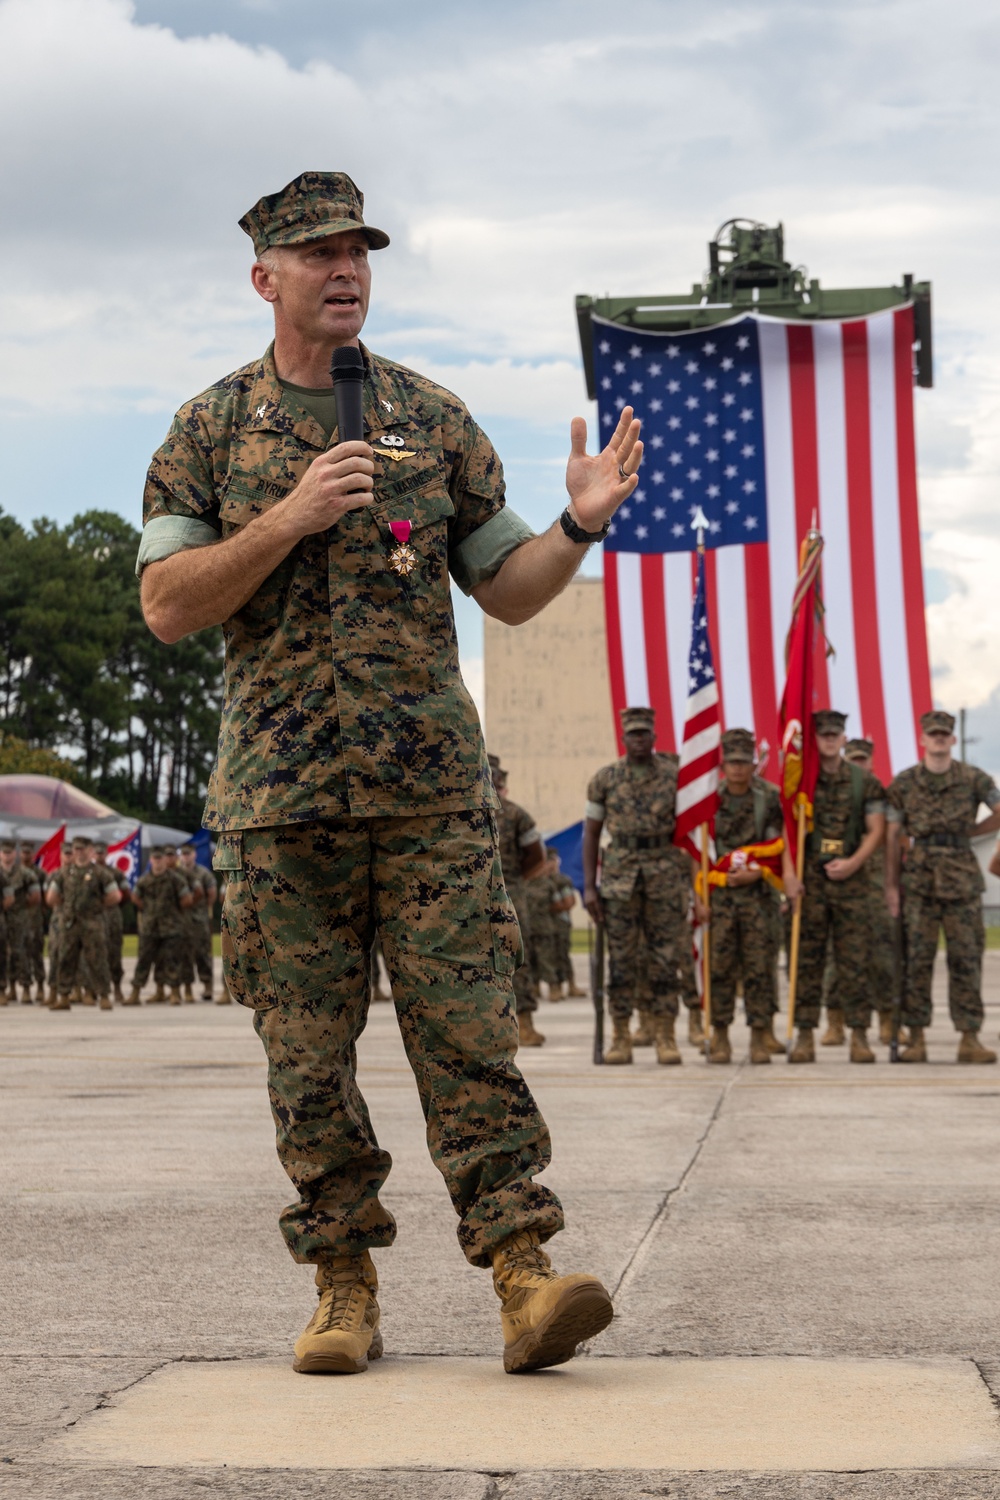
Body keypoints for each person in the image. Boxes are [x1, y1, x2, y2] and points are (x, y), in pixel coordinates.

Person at [137, 171, 641, 1377]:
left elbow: (506, 592)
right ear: (265, 277)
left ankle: (524, 1277)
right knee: (306, 1060)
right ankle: (342, 1286)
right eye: (316, 254)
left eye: (358, 250)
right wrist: (288, 518)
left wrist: (574, 530)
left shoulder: (432, 420)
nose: (344, 269)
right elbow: (166, 604)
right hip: (279, 803)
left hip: (427, 800)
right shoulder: (209, 432)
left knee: (470, 1039)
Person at [886, 710, 1000, 1064]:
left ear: (952, 739)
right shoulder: (904, 782)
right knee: (917, 959)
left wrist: (973, 833)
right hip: (919, 878)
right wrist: (891, 885)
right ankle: (916, 1037)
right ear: (922, 739)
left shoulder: (973, 778)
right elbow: (892, 835)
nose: (938, 739)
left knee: (966, 958)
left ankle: (969, 1037)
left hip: (962, 876)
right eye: (932, 734)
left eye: (943, 734)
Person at [583, 706, 692, 1067]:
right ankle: (620, 1035)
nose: (639, 738)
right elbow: (591, 833)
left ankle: (665, 1035)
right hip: (619, 878)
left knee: (665, 960)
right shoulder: (605, 779)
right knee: (621, 962)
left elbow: (692, 829)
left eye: (645, 732)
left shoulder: (675, 777)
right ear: (624, 737)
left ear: (654, 736)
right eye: (633, 733)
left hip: (664, 873)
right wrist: (589, 887)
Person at [789, 711, 885, 1064]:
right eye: (824, 734)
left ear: (844, 738)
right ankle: (804, 1034)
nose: (830, 740)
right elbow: (786, 829)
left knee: (854, 961)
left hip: (851, 881)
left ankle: (859, 1034)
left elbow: (875, 830)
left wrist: (853, 863)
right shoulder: (801, 780)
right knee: (807, 961)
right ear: (814, 739)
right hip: (811, 881)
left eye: (836, 734)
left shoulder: (864, 782)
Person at [702, 729, 799, 1064]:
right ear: (723, 764)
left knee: (760, 967)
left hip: (759, 896)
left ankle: (761, 1035)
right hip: (721, 898)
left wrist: (758, 872)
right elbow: (700, 849)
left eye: (744, 761)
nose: (738, 768)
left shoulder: (769, 797)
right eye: (732, 762)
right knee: (721, 968)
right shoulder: (708, 799)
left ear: (753, 763)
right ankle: (721, 1035)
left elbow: (778, 844)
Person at [490, 756, 547, 1044]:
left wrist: (514, 881)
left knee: (516, 957)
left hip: (510, 894)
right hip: (469, 896)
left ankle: (524, 1021)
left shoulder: (515, 815)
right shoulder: (461, 813)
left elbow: (537, 857)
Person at [46, 836, 121, 1010]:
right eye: (77, 849)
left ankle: (103, 996)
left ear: (91, 851)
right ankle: (64, 996)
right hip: (70, 924)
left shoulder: (100, 873)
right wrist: (65, 907)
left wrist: (98, 906)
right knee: (66, 959)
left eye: (83, 849)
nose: (80, 853)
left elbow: (115, 896)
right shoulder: (63, 873)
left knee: (97, 960)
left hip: (92, 923)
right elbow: (51, 897)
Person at [128, 848, 193, 1005]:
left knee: (172, 960)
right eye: (154, 859)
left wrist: (174, 911)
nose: (157, 862)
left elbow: (187, 899)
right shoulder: (144, 880)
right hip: (150, 927)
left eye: (160, 859)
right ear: (151, 860)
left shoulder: (175, 879)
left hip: (171, 927)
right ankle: (136, 992)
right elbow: (135, 896)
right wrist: (147, 909)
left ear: (165, 860)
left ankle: (174, 993)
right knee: (144, 959)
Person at [1, 838, 42, 1005]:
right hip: (3, 918)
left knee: (21, 953)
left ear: (15, 854)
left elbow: (35, 897)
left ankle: (25, 987)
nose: (7, 856)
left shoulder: (26, 874)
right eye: (4, 853)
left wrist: (20, 907)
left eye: (10, 853)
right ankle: (8, 988)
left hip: (20, 918)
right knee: (3, 954)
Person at [179, 841, 218, 1001]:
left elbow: (211, 893)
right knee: (184, 955)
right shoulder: (176, 873)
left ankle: (208, 987)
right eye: (183, 854)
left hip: (199, 919)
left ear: (194, 855)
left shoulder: (203, 873)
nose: (186, 857)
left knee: (203, 953)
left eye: (188, 854)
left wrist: (204, 908)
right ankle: (187, 988)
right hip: (181, 920)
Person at [94, 842, 132, 1005]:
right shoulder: (89, 873)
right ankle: (94, 989)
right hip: (94, 917)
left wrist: (112, 905)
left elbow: (125, 894)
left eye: (102, 853)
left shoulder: (116, 874)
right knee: (93, 953)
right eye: (97, 853)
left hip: (112, 916)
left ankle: (116, 987)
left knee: (114, 953)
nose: (99, 856)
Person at [19, 843, 47, 1001]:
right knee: (20, 954)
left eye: (28, 853)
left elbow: (46, 896)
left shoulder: (40, 874)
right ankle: (25, 987)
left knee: (36, 952)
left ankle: (41, 986)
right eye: (23, 853)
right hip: (18, 920)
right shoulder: (14, 873)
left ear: (33, 854)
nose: (26, 856)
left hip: (35, 919)